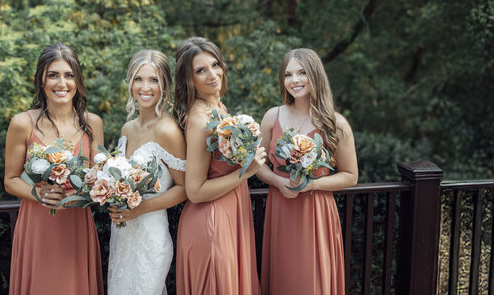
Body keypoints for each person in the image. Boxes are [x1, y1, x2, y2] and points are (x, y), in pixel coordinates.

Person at [2, 43, 104, 294]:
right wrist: (39, 194)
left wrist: (79, 195)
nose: (62, 83)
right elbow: (10, 180)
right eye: (53, 75)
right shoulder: (22, 123)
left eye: (69, 75)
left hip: (76, 224)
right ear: (41, 80)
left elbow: (99, 178)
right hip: (38, 225)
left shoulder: (93, 123)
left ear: (78, 81)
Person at [255, 48, 358, 294]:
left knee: (310, 281)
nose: (295, 80)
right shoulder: (272, 117)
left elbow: (351, 176)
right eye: (288, 74)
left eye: (302, 73)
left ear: (315, 76)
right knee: (285, 277)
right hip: (281, 207)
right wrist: (278, 183)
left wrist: (309, 185)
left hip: (316, 211)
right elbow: (255, 163)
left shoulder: (336, 124)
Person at [173, 37, 266, 295]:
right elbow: (195, 191)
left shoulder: (219, 107)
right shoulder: (201, 121)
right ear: (189, 79)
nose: (212, 74)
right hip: (211, 223)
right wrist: (245, 172)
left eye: (215, 65)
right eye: (200, 70)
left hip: (233, 216)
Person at [105, 49, 188, 295]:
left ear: (165, 86)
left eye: (154, 80)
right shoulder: (127, 128)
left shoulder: (168, 130)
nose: (145, 87)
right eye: (139, 79)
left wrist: (139, 209)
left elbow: (184, 189)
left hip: (150, 237)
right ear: (130, 82)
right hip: (122, 236)